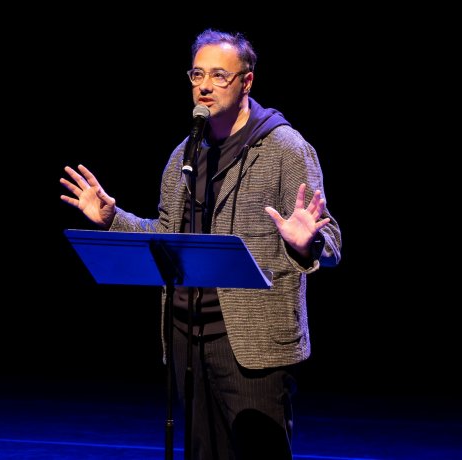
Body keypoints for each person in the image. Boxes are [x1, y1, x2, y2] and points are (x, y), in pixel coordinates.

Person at [59, 28, 341, 460]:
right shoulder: (184, 154)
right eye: (196, 74)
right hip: (188, 338)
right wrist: (111, 218)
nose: (204, 86)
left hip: (254, 345)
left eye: (219, 76)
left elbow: (330, 242)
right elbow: (169, 234)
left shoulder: (285, 147)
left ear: (246, 81)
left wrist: (308, 242)